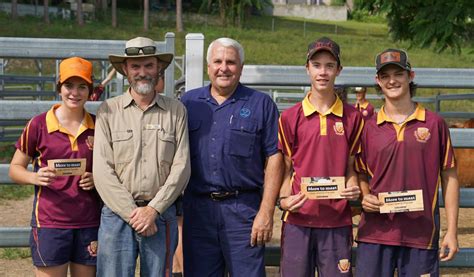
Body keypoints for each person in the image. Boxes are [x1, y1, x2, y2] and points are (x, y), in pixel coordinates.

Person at [180, 37, 283, 276]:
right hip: (198, 211)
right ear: (208, 67)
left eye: (231, 62)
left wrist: (266, 212)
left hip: (244, 211)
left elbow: (274, 158)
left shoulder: (261, 104)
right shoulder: (188, 103)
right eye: (217, 61)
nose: (223, 68)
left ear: (241, 67)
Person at [355, 48, 460, 276]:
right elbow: (361, 173)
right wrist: (365, 196)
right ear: (378, 81)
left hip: (421, 235)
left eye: (398, 74)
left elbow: (450, 178)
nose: (392, 81)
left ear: (410, 76)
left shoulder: (434, 124)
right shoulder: (368, 126)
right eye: (385, 76)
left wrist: (452, 231)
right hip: (375, 233)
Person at [93, 36, 191, 277]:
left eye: (148, 65)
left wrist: (153, 210)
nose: (142, 72)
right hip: (116, 215)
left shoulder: (176, 111)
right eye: (135, 66)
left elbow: (182, 167)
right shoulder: (108, 110)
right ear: (126, 70)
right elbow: (102, 171)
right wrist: (132, 214)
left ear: (159, 68)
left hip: (161, 213)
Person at [277, 37, 363, 276]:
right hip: (298, 220)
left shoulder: (353, 117)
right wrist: (283, 200)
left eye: (329, 65)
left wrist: (353, 187)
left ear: (339, 70)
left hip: (337, 221)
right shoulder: (290, 117)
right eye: (316, 65)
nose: (323, 72)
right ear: (307, 69)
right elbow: (285, 168)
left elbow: (351, 168)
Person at [9, 57, 100, 277]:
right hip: (50, 222)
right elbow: (15, 168)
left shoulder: (99, 125)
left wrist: (97, 178)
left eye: (82, 87)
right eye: (69, 85)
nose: (74, 93)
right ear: (59, 87)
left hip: (90, 221)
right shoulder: (38, 124)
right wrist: (35, 177)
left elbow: (113, 169)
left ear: (91, 91)